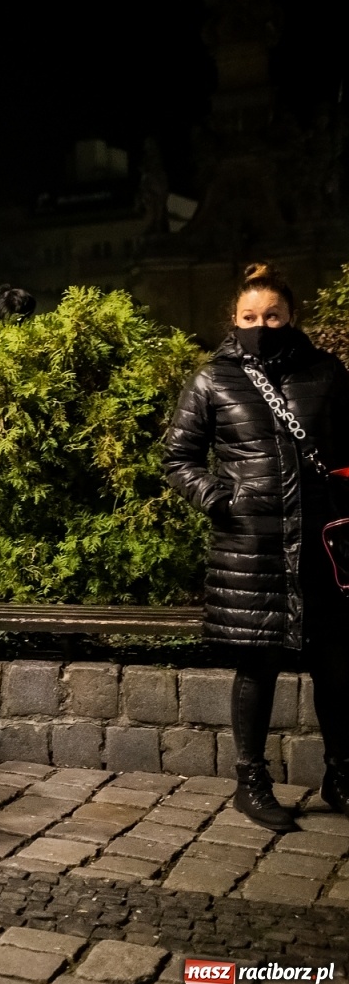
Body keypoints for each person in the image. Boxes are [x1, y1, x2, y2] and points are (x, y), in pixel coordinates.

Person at [164, 263, 349, 831]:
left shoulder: (327, 373)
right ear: (234, 320)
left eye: (272, 315)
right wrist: (223, 498)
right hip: (251, 549)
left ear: (291, 316)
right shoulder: (213, 379)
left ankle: (341, 775)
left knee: (336, 666)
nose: (260, 325)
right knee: (257, 666)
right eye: (250, 317)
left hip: (320, 546)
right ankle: (252, 781)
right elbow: (178, 457)